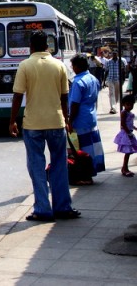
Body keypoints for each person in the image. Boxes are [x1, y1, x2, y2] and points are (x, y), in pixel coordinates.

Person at [9, 30, 80, 222]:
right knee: (59, 165)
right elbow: (64, 96)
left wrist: (12, 120)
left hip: (33, 124)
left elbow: (18, 95)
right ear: (47, 45)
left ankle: (42, 209)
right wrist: (66, 120)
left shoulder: (25, 65)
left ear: (30, 46)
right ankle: (63, 207)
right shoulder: (59, 65)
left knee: (37, 167)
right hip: (56, 122)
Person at [68, 53, 105, 183]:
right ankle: (91, 171)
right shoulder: (93, 79)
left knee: (82, 149)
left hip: (80, 119)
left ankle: (85, 176)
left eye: (73, 66)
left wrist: (70, 121)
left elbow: (75, 104)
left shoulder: (78, 82)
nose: (72, 68)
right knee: (92, 147)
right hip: (91, 117)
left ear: (77, 66)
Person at [114, 94, 137, 177]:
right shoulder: (124, 113)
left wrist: (134, 128)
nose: (130, 106)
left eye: (131, 105)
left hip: (129, 133)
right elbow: (123, 124)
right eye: (128, 104)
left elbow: (130, 123)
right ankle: (124, 168)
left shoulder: (129, 113)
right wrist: (128, 133)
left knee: (129, 152)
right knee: (128, 152)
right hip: (126, 134)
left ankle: (125, 168)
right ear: (123, 104)